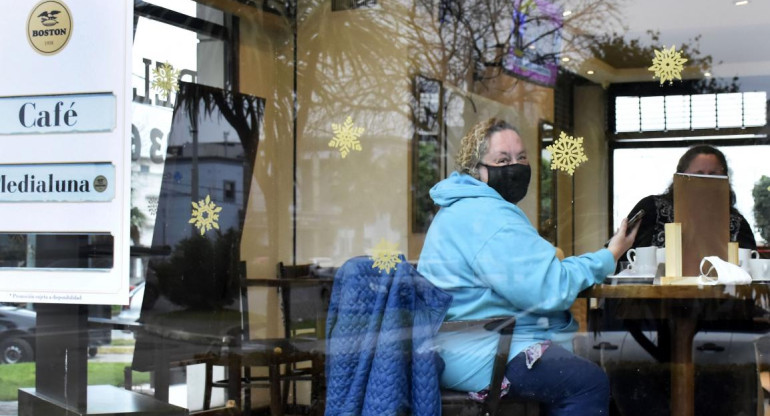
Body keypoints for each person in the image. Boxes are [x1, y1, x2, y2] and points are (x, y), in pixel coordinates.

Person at [417, 117, 638, 416]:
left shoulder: (464, 207)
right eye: (502, 159)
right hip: (482, 353)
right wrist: (610, 255)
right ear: (477, 170)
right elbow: (550, 287)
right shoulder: (489, 217)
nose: (516, 167)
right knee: (589, 382)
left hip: (462, 345)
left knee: (569, 372)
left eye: (521, 157)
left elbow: (533, 274)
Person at [623, 144, 756, 256]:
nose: (706, 181)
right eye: (698, 174)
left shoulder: (736, 223)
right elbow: (619, 252)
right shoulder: (652, 208)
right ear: (681, 177)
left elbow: (751, 267)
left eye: (713, 175)